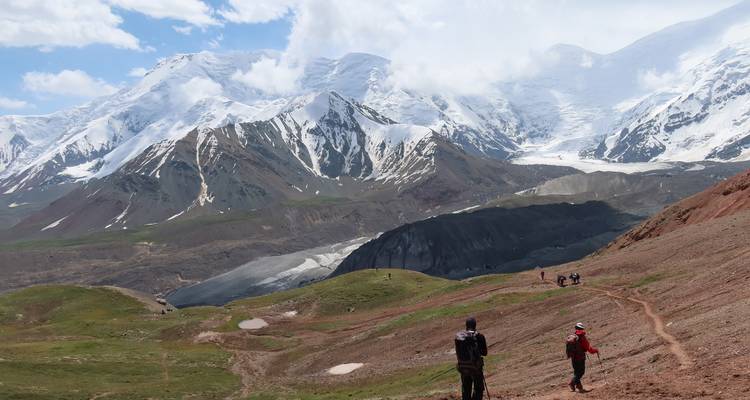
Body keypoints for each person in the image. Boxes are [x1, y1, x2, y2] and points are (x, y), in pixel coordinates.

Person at [455, 317, 488, 400]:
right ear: (475, 325)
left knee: (466, 389)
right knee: (478, 388)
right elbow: (485, 353)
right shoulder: (480, 336)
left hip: (463, 367)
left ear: (466, 326)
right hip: (476, 368)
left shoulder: (459, 337)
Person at [566, 322, 599, 392]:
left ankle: (579, 386)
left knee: (576, 372)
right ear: (582, 329)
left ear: (576, 328)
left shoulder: (574, 337)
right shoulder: (582, 337)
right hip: (580, 358)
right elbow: (589, 349)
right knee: (581, 372)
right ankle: (572, 383)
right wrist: (596, 351)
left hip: (573, 358)